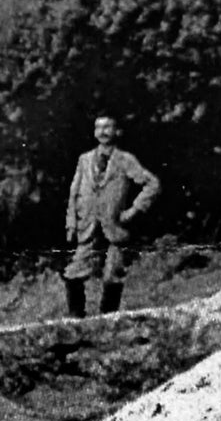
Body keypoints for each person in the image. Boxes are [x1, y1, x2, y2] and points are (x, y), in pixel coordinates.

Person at [63, 113, 161, 316]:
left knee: (112, 276)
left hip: (115, 226)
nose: (103, 131)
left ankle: (108, 321)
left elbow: (152, 184)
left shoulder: (125, 160)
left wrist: (134, 210)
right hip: (88, 225)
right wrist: (71, 222)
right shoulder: (85, 160)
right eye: (98, 127)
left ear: (118, 131)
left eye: (108, 127)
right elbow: (73, 192)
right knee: (73, 274)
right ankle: (75, 318)